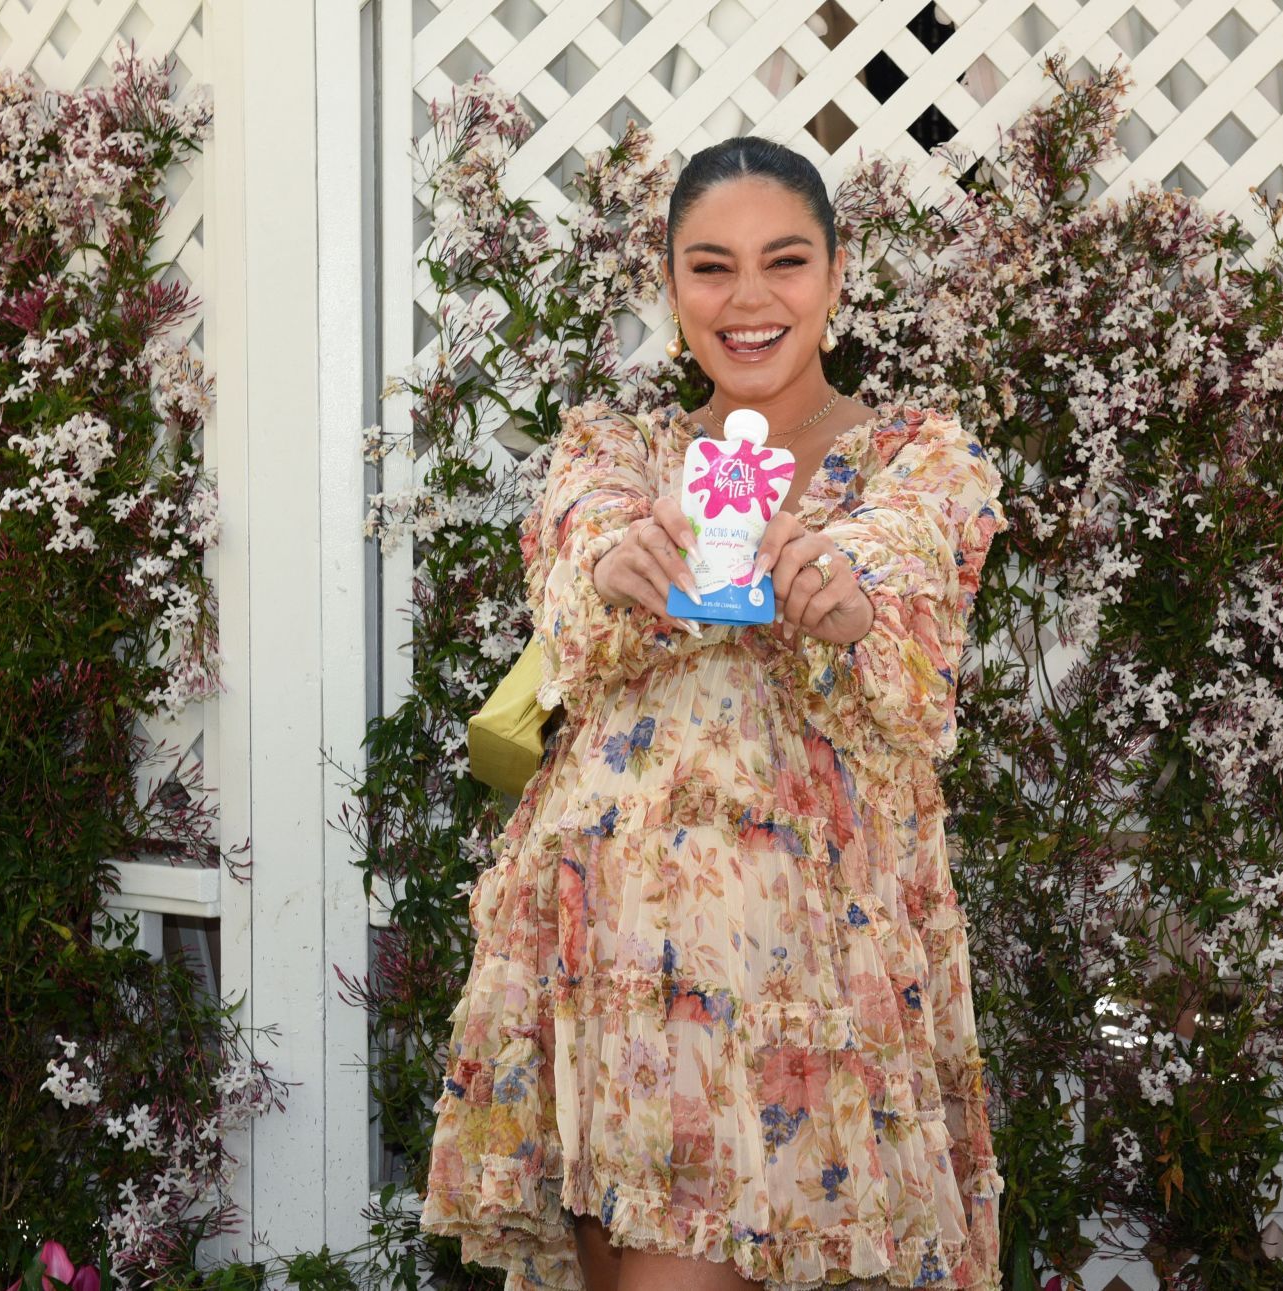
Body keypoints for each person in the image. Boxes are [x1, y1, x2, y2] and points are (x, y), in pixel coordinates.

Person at [419, 133, 1008, 1291]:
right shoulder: (619, 454)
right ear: (670, 283)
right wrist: (616, 563)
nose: (749, 299)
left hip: (824, 983)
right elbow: (577, 578)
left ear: (838, 277)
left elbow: (903, 614)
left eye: (784, 262)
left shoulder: (914, 461)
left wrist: (840, 595)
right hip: (623, 970)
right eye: (710, 266)